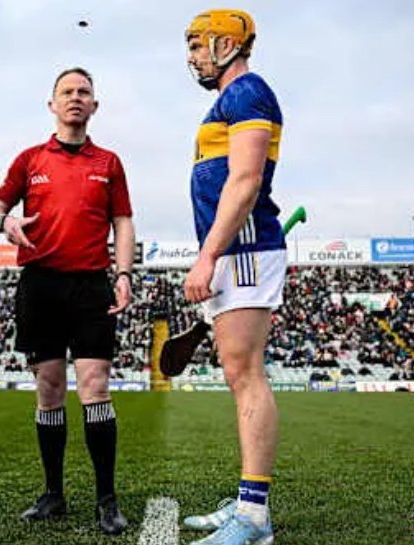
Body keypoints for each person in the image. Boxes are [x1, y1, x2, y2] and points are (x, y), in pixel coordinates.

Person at [0, 67, 136, 536]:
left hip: (91, 285)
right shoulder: (30, 160)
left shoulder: (109, 162)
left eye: (83, 92)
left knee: (95, 386)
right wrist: (6, 222)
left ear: (94, 105)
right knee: (49, 389)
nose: (75, 98)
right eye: (66, 92)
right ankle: (53, 494)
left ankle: (107, 500)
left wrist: (123, 273)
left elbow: (123, 222)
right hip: (40, 285)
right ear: (52, 104)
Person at [178, 10, 284, 545]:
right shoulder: (229, 100)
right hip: (232, 253)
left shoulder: (247, 92)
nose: (192, 56)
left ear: (225, 44)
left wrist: (209, 256)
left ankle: (254, 517)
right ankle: (246, 502)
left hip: (244, 250)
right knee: (236, 373)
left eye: (198, 45)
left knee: (246, 374)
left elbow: (245, 181)